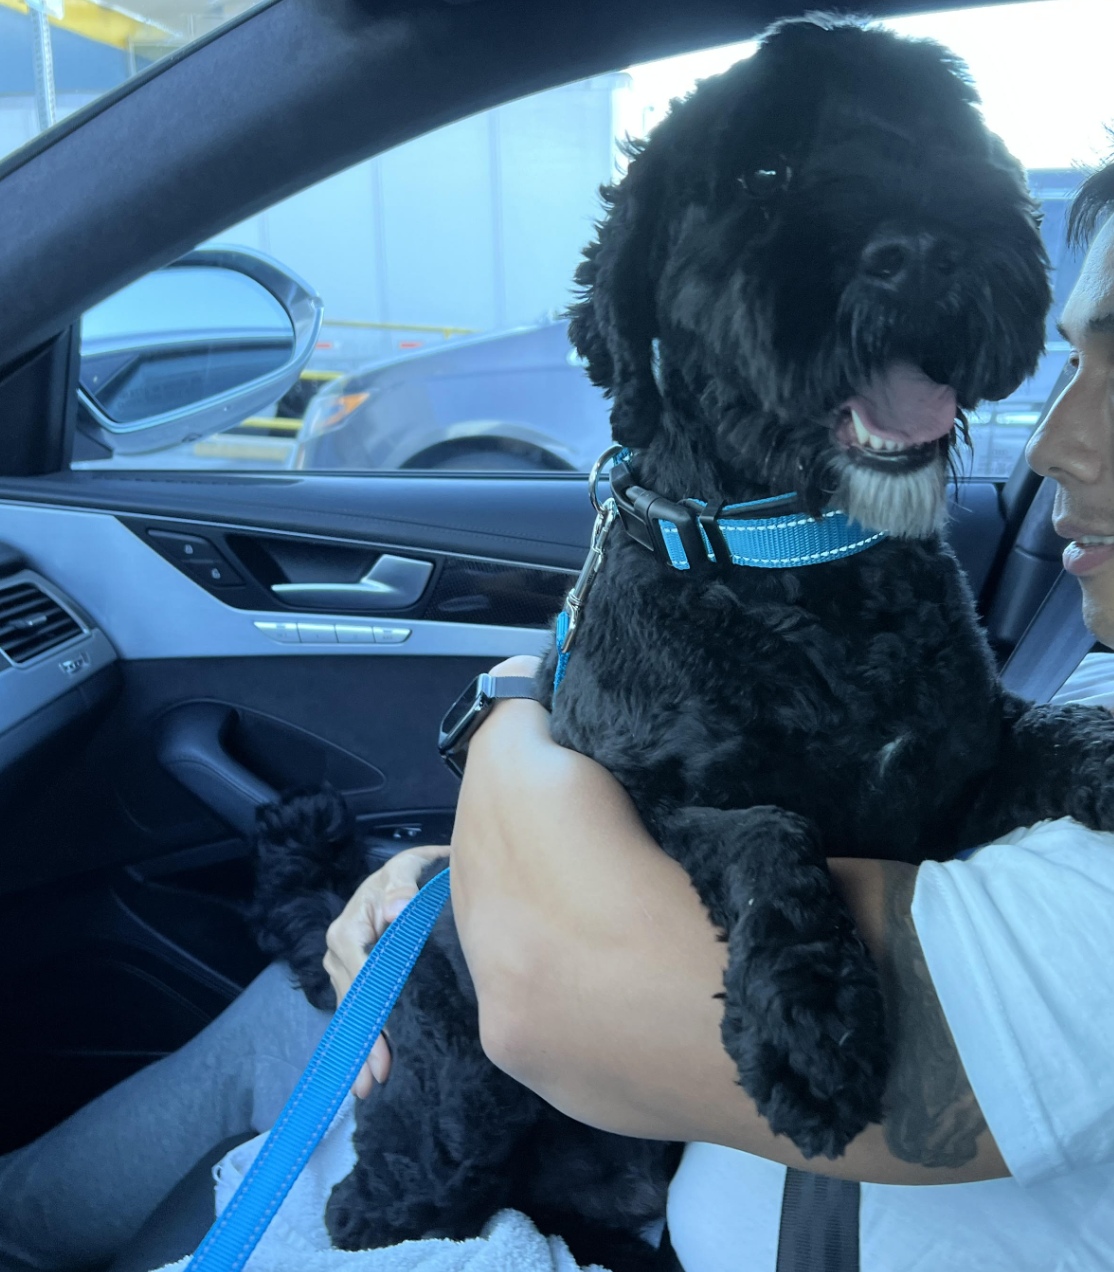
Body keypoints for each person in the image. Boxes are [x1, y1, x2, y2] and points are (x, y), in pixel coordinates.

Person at [3, 161, 1114, 1272]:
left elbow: (547, 991)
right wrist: (479, 856)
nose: (1054, 438)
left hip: (605, 1211)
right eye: (1072, 358)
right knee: (308, 997)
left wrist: (503, 721)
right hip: (636, 1126)